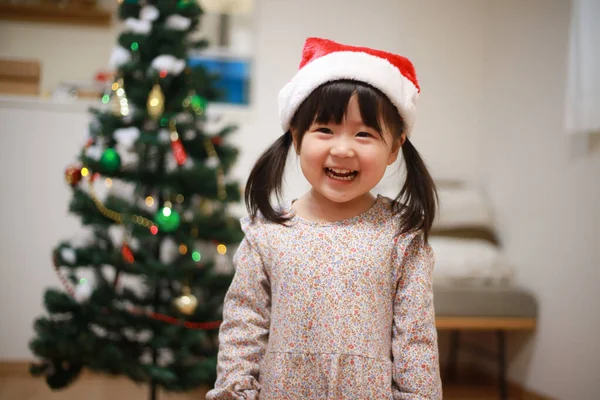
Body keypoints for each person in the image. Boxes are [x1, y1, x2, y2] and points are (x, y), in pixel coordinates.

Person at [206, 37, 442, 399]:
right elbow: (243, 326)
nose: (343, 148)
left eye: (364, 134)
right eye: (325, 130)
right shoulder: (268, 233)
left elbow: (416, 340)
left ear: (395, 147)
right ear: (296, 137)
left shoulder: (400, 235)